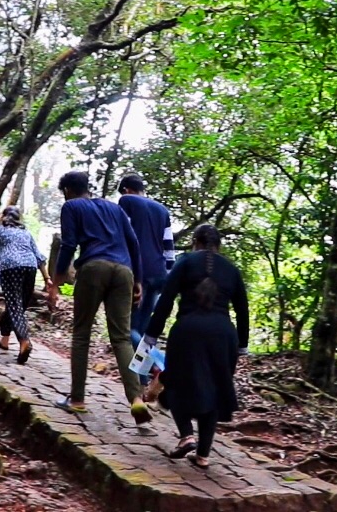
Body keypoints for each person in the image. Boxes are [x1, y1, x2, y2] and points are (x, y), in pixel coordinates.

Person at [47, 170, 151, 425]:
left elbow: (69, 245)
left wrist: (55, 282)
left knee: (81, 334)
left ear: (67, 191)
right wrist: (138, 279)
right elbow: (134, 243)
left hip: (94, 268)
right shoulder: (114, 208)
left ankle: (77, 399)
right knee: (122, 338)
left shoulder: (71, 206)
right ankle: (136, 399)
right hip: (124, 271)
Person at [142, 224, 249, 469]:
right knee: (215, 389)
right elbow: (242, 310)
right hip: (224, 335)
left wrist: (151, 334)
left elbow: (166, 300)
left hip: (188, 332)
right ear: (218, 245)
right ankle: (203, 456)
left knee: (176, 382)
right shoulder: (231, 269)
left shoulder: (185, 262)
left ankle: (186, 436)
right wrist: (242, 344)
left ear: (195, 242)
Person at [117, 174, 175, 390]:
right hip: (159, 274)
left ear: (126, 190)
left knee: (128, 329)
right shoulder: (162, 210)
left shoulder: (126, 201)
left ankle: (158, 364)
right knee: (142, 330)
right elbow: (169, 246)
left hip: (137, 273)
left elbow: (122, 235)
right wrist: (168, 276)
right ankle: (142, 380)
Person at [0, 206, 54, 364]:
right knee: (17, 306)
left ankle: (24, 342)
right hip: (30, 267)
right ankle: (4, 340)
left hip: (9, 267)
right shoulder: (26, 233)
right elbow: (39, 257)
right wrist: (47, 278)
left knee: (15, 306)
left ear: (3, 216)